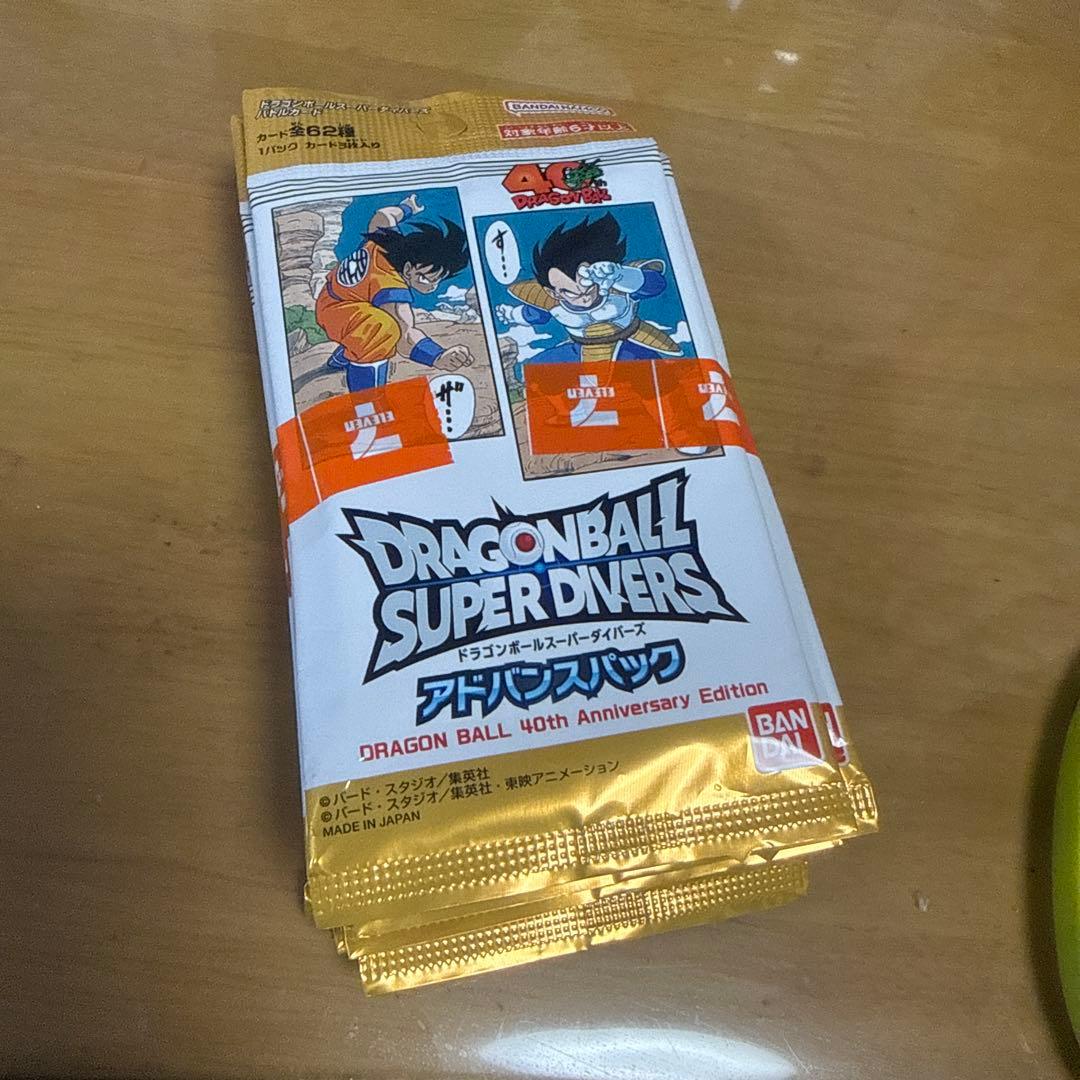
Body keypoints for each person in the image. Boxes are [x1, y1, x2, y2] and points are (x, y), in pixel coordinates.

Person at [317, 194, 472, 392]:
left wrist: (407, 208)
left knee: (369, 320)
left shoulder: (384, 241)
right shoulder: (392, 290)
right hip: (338, 313)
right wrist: (437, 356)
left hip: (331, 299)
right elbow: (405, 338)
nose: (432, 287)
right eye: (425, 278)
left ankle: (344, 355)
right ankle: (367, 402)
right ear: (408, 269)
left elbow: (384, 215)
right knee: (383, 330)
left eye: (437, 281)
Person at [495, 213, 681, 366]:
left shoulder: (615, 286)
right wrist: (512, 314)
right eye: (570, 292)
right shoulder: (552, 300)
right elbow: (536, 314)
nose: (583, 297)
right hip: (580, 348)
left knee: (653, 376)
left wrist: (620, 275)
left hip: (627, 344)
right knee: (537, 367)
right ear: (554, 292)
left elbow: (655, 284)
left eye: (588, 288)